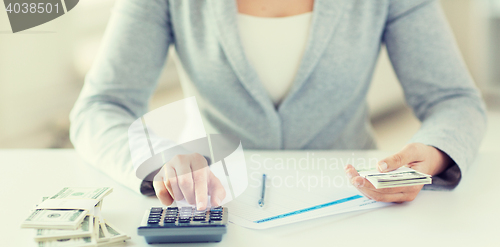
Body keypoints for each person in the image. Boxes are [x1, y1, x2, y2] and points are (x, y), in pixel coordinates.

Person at [70, 0, 487, 210]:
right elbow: (101, 106)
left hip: (354, 205)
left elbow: (454, 100)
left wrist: (433, 154)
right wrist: (161, 159)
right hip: (222, 206)